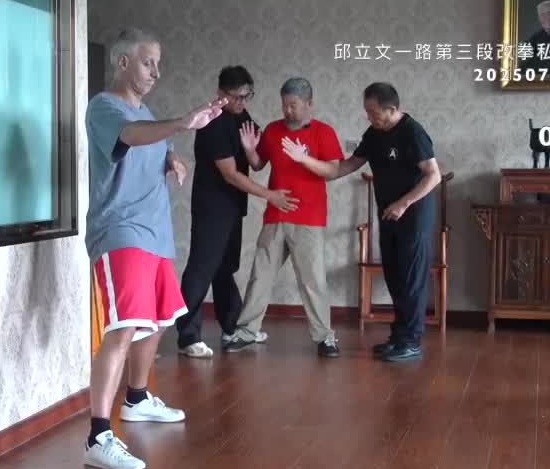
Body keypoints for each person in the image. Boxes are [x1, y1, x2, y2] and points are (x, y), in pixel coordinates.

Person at [84, 27, 227, 469]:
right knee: (124, 327)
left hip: (156, 235)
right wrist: (183, 123)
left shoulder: (146, 112)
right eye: (149, 63)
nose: (156, 72)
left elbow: (152, 143)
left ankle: (137, 398)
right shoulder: (105, 107)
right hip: (121, 232)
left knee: (159, 321)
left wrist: (173, 158)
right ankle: (98, 436)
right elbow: (130, 136)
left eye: (158, 64)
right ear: (123, 62)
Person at [281, 82, 441, 362]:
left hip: (413, 216)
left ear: (392, 109)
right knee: (394, 276)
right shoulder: (374, 133)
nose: (369, 117)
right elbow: (345, 166)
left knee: (411, 279)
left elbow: (433, 175)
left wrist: (404, 203)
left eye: (373, 112)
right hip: (388, 213)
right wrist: (306, 160)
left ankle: (411, 341)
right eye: (367, 112)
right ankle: (399, 336)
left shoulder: (412, 132)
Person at [175, 66, 296, 358]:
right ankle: (188, 336)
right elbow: (230, 174)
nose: (242, 102)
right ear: (221, 93)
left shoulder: (242, 117)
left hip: (233, 206)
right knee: (202, 267)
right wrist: (270, 195)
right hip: (211, 206)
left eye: (247, 96)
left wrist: (253, 150)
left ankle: (232, 327)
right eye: (236, 96)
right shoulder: (212, 122)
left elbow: (257, 162)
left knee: (225, 267)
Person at [223, 77, 342, 358]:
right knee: (260, 276)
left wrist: (304, 159)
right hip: (275, 215)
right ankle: (246, 332)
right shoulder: (273, 130)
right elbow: (258, 164)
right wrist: (250, 149)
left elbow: (333, 171)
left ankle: (325, 338)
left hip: (309, 219)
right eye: (284, 105)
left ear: (309, 104)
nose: (288, 111)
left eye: (293, 105)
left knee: (313, 281)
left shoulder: (323, 132)